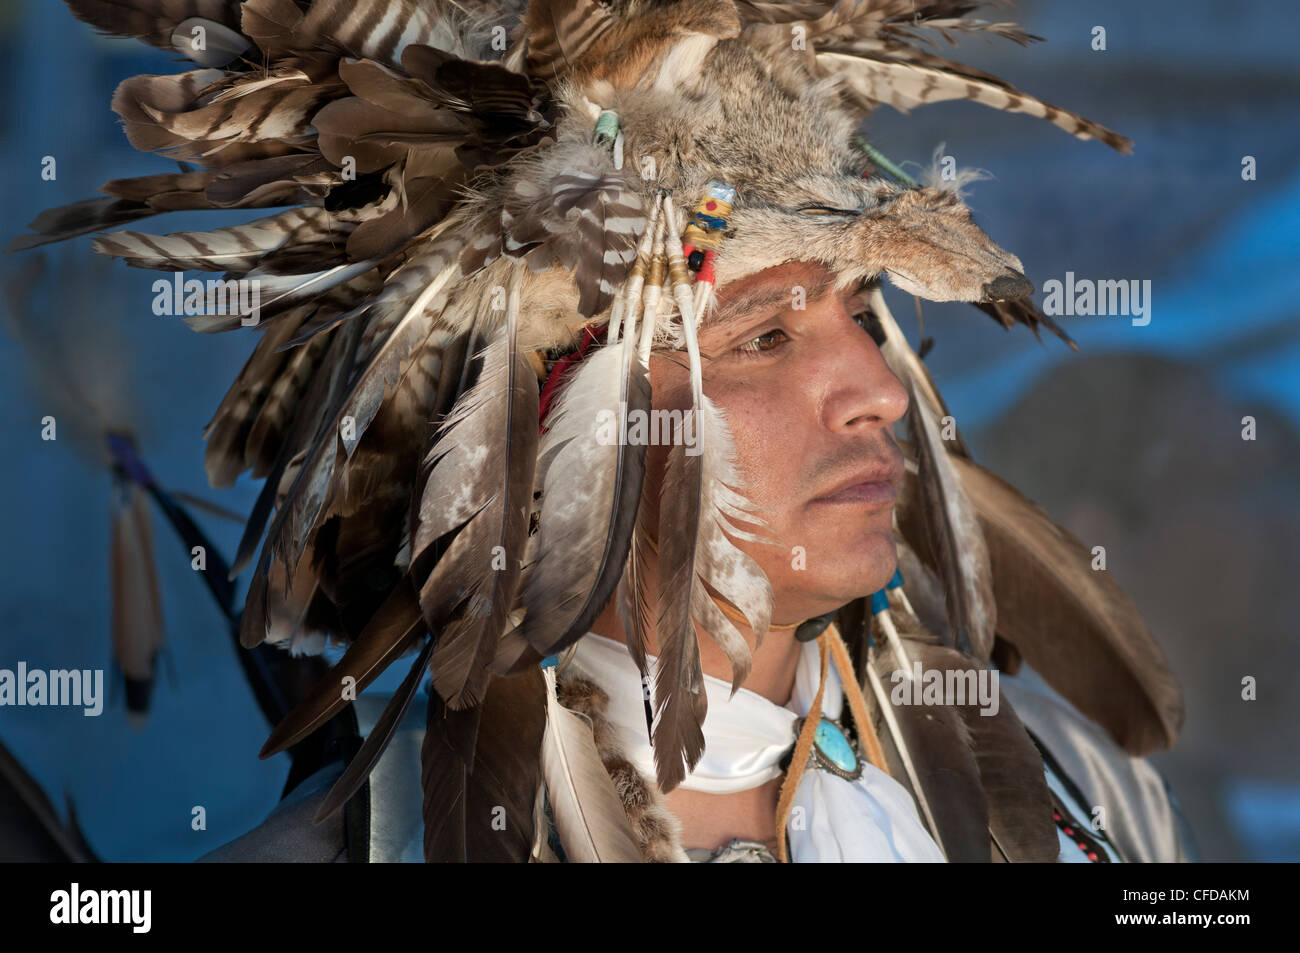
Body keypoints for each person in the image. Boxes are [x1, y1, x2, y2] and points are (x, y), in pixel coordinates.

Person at [16, 0, 1193, 862]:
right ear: (523, 436)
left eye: (859, 312)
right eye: (761, 337)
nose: (877, 388)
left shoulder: (1068, 798)